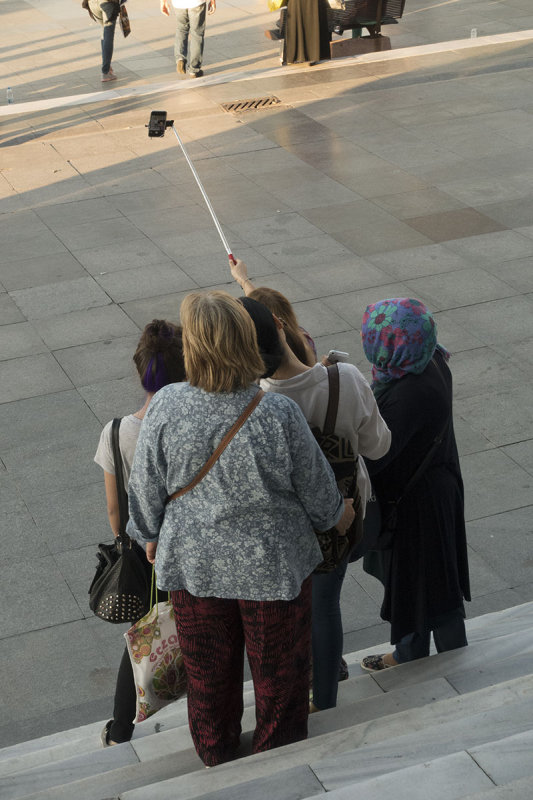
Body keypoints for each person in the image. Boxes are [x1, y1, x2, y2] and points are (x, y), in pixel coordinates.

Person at [127, 290, 355, 766]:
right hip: (274, 571)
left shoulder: (167, 406)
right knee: (281, 683)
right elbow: (319, 498)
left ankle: (217, 759)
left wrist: (150, 534)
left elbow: (143, 492)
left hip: (195, 569)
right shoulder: (276, 412)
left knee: (208, 680)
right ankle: (274, 763)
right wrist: (343, 514)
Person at [241, 297, 391, 711]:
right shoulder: (344, 378)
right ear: (279, 323)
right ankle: (325, 700)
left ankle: (288, 700)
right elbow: (378, 446)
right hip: (342, 523)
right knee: (325, 607)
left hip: (284, 532)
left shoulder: (252, 402)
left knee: (284, 618)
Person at [359, 298, 471, 671]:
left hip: (418, 506)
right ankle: (413, 650)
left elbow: (376, 455)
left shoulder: (407, 394)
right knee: (430, 582)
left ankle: (443, 655)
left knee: (430, 586)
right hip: (436, 490)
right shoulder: (431, 359)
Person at [94, 319, 186, 746]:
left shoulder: (117, 433)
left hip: (142, 549)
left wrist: (125, 540)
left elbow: (116, 510)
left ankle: (120, 729)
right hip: (189, 546)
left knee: (144, 635)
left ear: (140, 372)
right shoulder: (190, 422)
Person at [231, 258, 316, 366]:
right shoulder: (304, 339)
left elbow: (259, 309)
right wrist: (242, 278)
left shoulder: (260, 354)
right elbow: (261, 307)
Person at [160, 0, 215, 78]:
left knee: (181, 29)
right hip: (197, 3)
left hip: (178, 3)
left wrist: (163, 2)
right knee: (197, 34)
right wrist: (213, 1)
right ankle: (194, 70)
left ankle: (180, 58)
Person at [86, 0, 121, 82]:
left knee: (105, 32)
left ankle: (107, 66)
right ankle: (106, 71)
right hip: (107, 3)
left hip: (92, 4)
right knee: (108, 34)